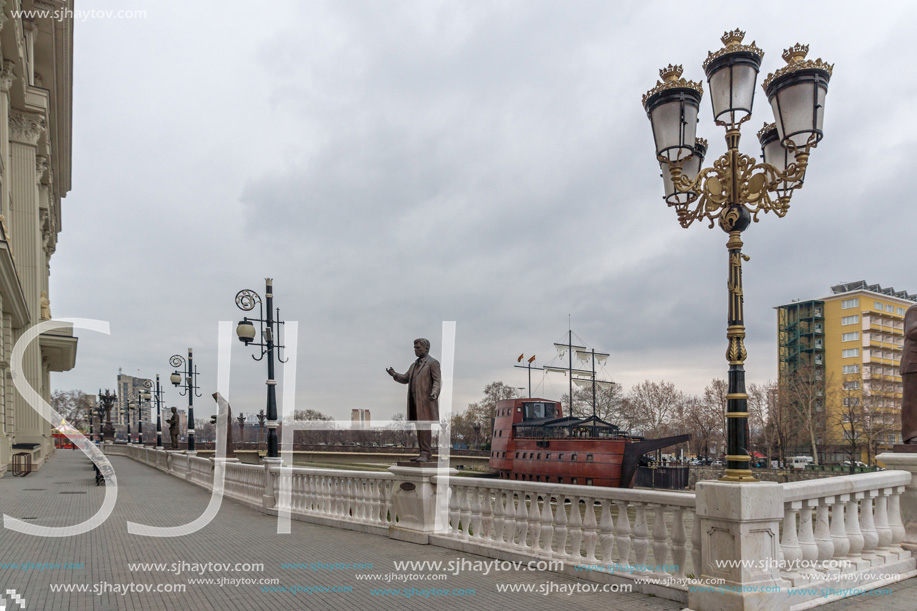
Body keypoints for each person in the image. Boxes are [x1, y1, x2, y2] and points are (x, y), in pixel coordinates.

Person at [387, 338, 441, 462]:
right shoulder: (414, 365)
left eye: (418, 348)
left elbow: (437, 381)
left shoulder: (433, 363)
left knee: (425, 428)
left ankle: (426, 453)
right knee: (419, 427)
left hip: (426, 402)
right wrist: (395, 374)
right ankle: (423, 453)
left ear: (426, 349)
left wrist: (434, 393)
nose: (415, 350)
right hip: (415, 403)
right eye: (414, 348)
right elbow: (406, 378)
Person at [902, 305, 917, 443]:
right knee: (911, 400)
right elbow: (911, 331)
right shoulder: (914, 310)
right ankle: (911, 434)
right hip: (913, 363)